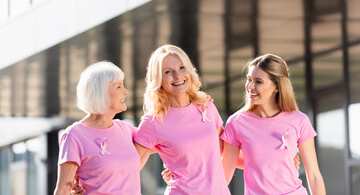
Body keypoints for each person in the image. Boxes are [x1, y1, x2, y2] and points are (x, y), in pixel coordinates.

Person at [221, 54, 326, 195]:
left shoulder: (299, 120)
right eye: (249, 80)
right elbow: (223, 176)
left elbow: (314, 176)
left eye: (258, 81)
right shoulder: (237, 122)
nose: (250, 86)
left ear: (277, 86)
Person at [133, 44, 231, 195]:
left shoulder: (207, 107)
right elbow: (129, 168)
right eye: (168, 72)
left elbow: (225, 151)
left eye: (182, 68)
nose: (177, 76)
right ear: (158, 79)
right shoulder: (153, 121)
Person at [53, 61, 141, 195]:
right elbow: (63, 190)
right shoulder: (74, 135)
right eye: (118, 87)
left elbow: (166, 144)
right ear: (101, 92)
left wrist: (175, 168)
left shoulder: (126, 129)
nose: (125, 91)